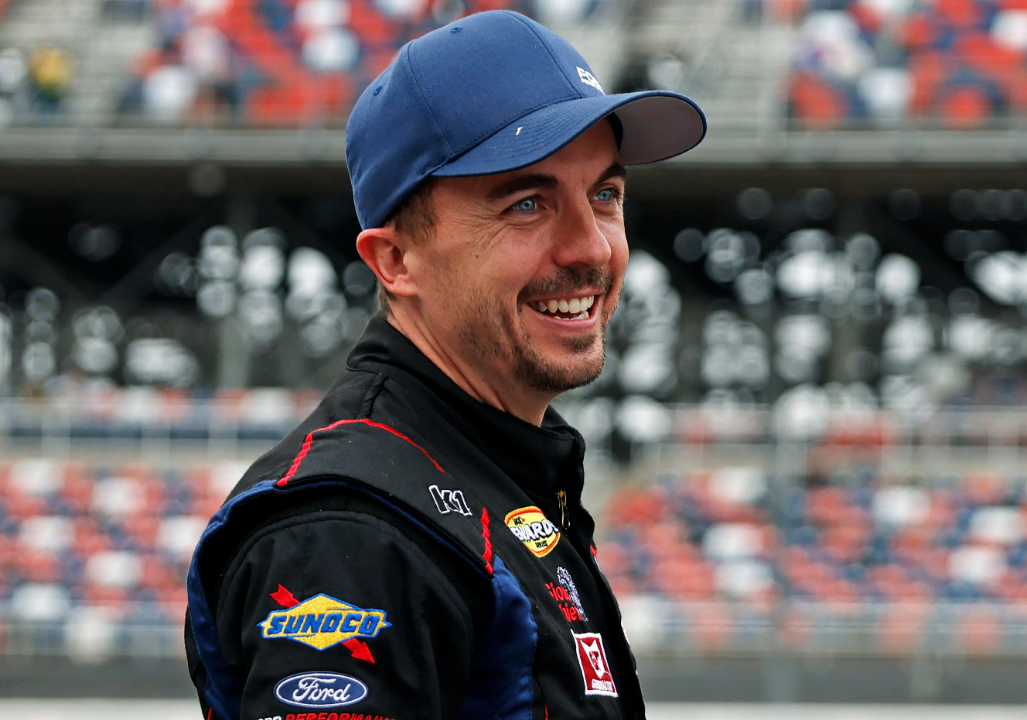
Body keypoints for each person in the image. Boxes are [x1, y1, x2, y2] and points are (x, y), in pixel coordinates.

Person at [184, 10, 705, 720]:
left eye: (604, 195)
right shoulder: (352, 528)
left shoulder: (488, 475)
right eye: (527, 203)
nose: (591, 248)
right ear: (396, 261)